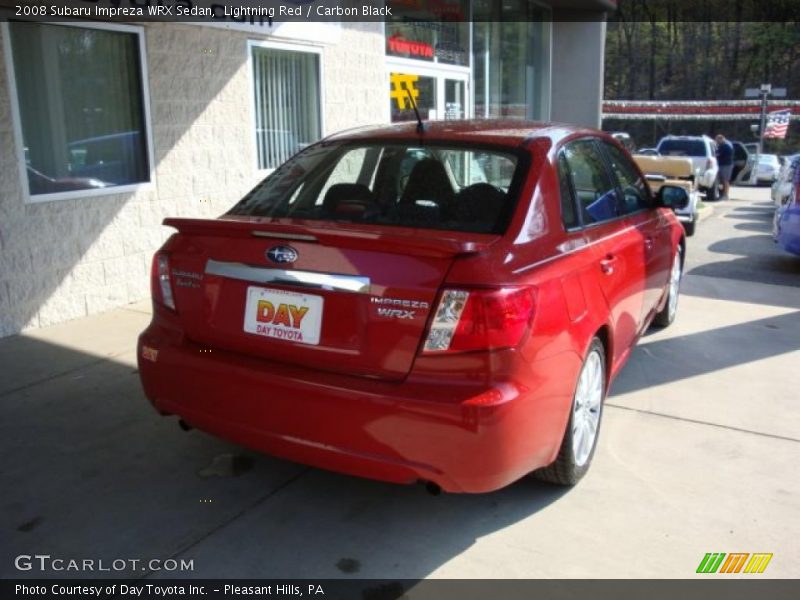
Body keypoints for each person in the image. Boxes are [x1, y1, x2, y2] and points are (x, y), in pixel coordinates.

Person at [715, 134, 734, 200]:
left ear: (721, 139)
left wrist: (716, 153)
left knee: (725, 180)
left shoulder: (725, 146)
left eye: (717, 140)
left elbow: (718, 154)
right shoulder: (727, 144)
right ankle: (723, 195)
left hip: (726, 165)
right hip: (724, 164)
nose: (717, 142)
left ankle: (725, 195)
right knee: (723, 181)